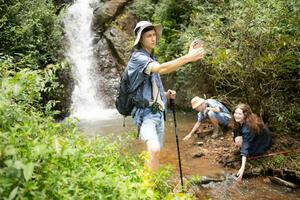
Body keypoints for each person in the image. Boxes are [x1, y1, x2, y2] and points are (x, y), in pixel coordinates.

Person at [126, 21, 205, 171]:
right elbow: (162, 69)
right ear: (140, 39)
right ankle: (146, 187)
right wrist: (188, 57)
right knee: (154, 149)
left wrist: (165, 95)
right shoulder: (138, 58)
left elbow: (148, 88)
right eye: (149, 35)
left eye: (154, 35)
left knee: (155, 152)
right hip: (146, 114)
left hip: (158, 113)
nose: (153, 38)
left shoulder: (151, 59)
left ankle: (151, 184)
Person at [232, 103, 272, 181]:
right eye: (235, 113)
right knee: (235, 133)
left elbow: (245, 147)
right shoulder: (249, 119)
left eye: (239, 114)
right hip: (258, 138)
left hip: (262, 144)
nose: (236, 115)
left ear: (245, 115)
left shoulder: (247, 127)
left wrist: (242, 168)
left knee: (239, 141)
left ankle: (252, 152)